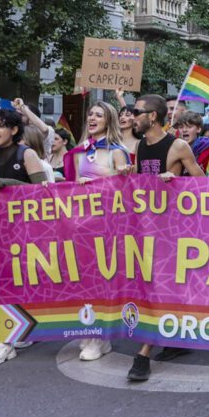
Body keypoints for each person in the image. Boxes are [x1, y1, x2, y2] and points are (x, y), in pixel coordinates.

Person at [127, 94, 204, 381]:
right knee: (154, 285)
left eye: (137, 112)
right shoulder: (139, 145)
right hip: (147, 227)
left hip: (173, 230)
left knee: (160, 286)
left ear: (153, 117)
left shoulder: (178, 146)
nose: (133, 116)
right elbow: (138, 181)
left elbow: (203, 183)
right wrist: (126, 173)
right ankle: (173, 338)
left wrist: (178, 182)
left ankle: (143, 354)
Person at [0, 108, 49, 366]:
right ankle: (5, 338)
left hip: (27, 230)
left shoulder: (26, 154)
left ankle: (22, 328)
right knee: (2, 281)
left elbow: (43, 192)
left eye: (0, 125)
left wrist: (10, 183)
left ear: (14, 130)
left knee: (25, 281)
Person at [61, 101, 129, 362]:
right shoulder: (79, 152)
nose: (92, 117)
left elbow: (126, 194)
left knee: (102, 280)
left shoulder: (117, 152)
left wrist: (98, 185)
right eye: (90, 113)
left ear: (108, 120)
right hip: (80, 225)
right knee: (84, 279)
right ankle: (92, 331)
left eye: (98, 115)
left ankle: (100, 335)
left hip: (108, 226)